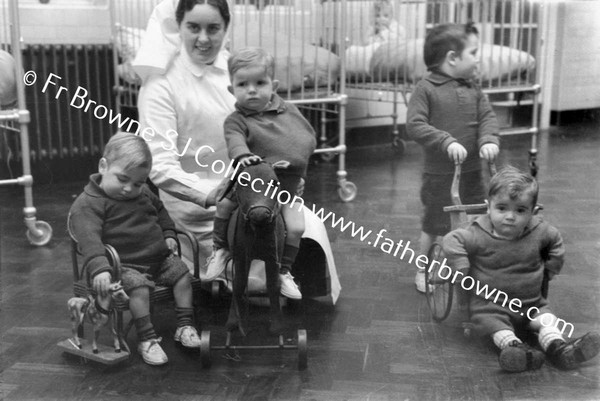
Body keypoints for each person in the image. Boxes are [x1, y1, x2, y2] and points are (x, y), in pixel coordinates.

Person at [442, 166, 600, 372]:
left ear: (532, 212)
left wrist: (552, 266)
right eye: (502, 208)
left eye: (520, 210)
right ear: (488, 207)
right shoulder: (477, 233)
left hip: (531, 303)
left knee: (546, 320)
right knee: (494, 325)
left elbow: (556, 241)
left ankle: (560, 349)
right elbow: (451, 239)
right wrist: (461, 265)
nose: (510, 216)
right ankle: (515, 350)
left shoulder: (540, 230)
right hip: (491, 304)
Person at [69, 132, 202, 366]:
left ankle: (184, 325)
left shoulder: (142, 192)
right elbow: (89, 240)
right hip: (121, 267)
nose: (129, 188)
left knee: (182, 274)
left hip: (157, 259)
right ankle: (147, 339)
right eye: (122, 179)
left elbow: (160, 211)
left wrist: (169, 233)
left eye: (138, 183)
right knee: (139, 288)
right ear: (103, 166)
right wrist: (101, 269)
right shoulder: (88, 203)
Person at [204, 47, 317, 299]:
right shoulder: (236, 120)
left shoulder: (289, 112)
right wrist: (243, 156)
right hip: (249, 181)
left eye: (260, 82)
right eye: (243, 84)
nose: (252, 89)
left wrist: (300, 176)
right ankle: (220, 249)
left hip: (285, 186)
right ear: (232, 90)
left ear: (273, 85)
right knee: (223, 205)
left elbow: (303, 141)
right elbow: (235, 142)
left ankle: (283, 271)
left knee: (297, 227)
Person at [136, 0, 236, 272]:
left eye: (213, 28)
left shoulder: (236, 69)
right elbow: (159, 163)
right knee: (253, 265)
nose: (203, 39)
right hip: (196, 203)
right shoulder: (161, 83)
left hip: (244, 189)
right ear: (178, 26)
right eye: (193, 27)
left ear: (226, 28)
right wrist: (210, 193)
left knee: (304, 228)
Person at [406, 22, 500, 293]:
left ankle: (471, 269)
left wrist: (489, 140)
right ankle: (423, 269)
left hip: (471, 172)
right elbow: (415, 124)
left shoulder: (474, 87)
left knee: (476, 221)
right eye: (474, 52)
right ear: (452, 58)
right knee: (434, 223)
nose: (478, 58)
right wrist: (445, 140)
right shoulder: (426, 88)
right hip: (439, 176)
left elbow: (487, 118)